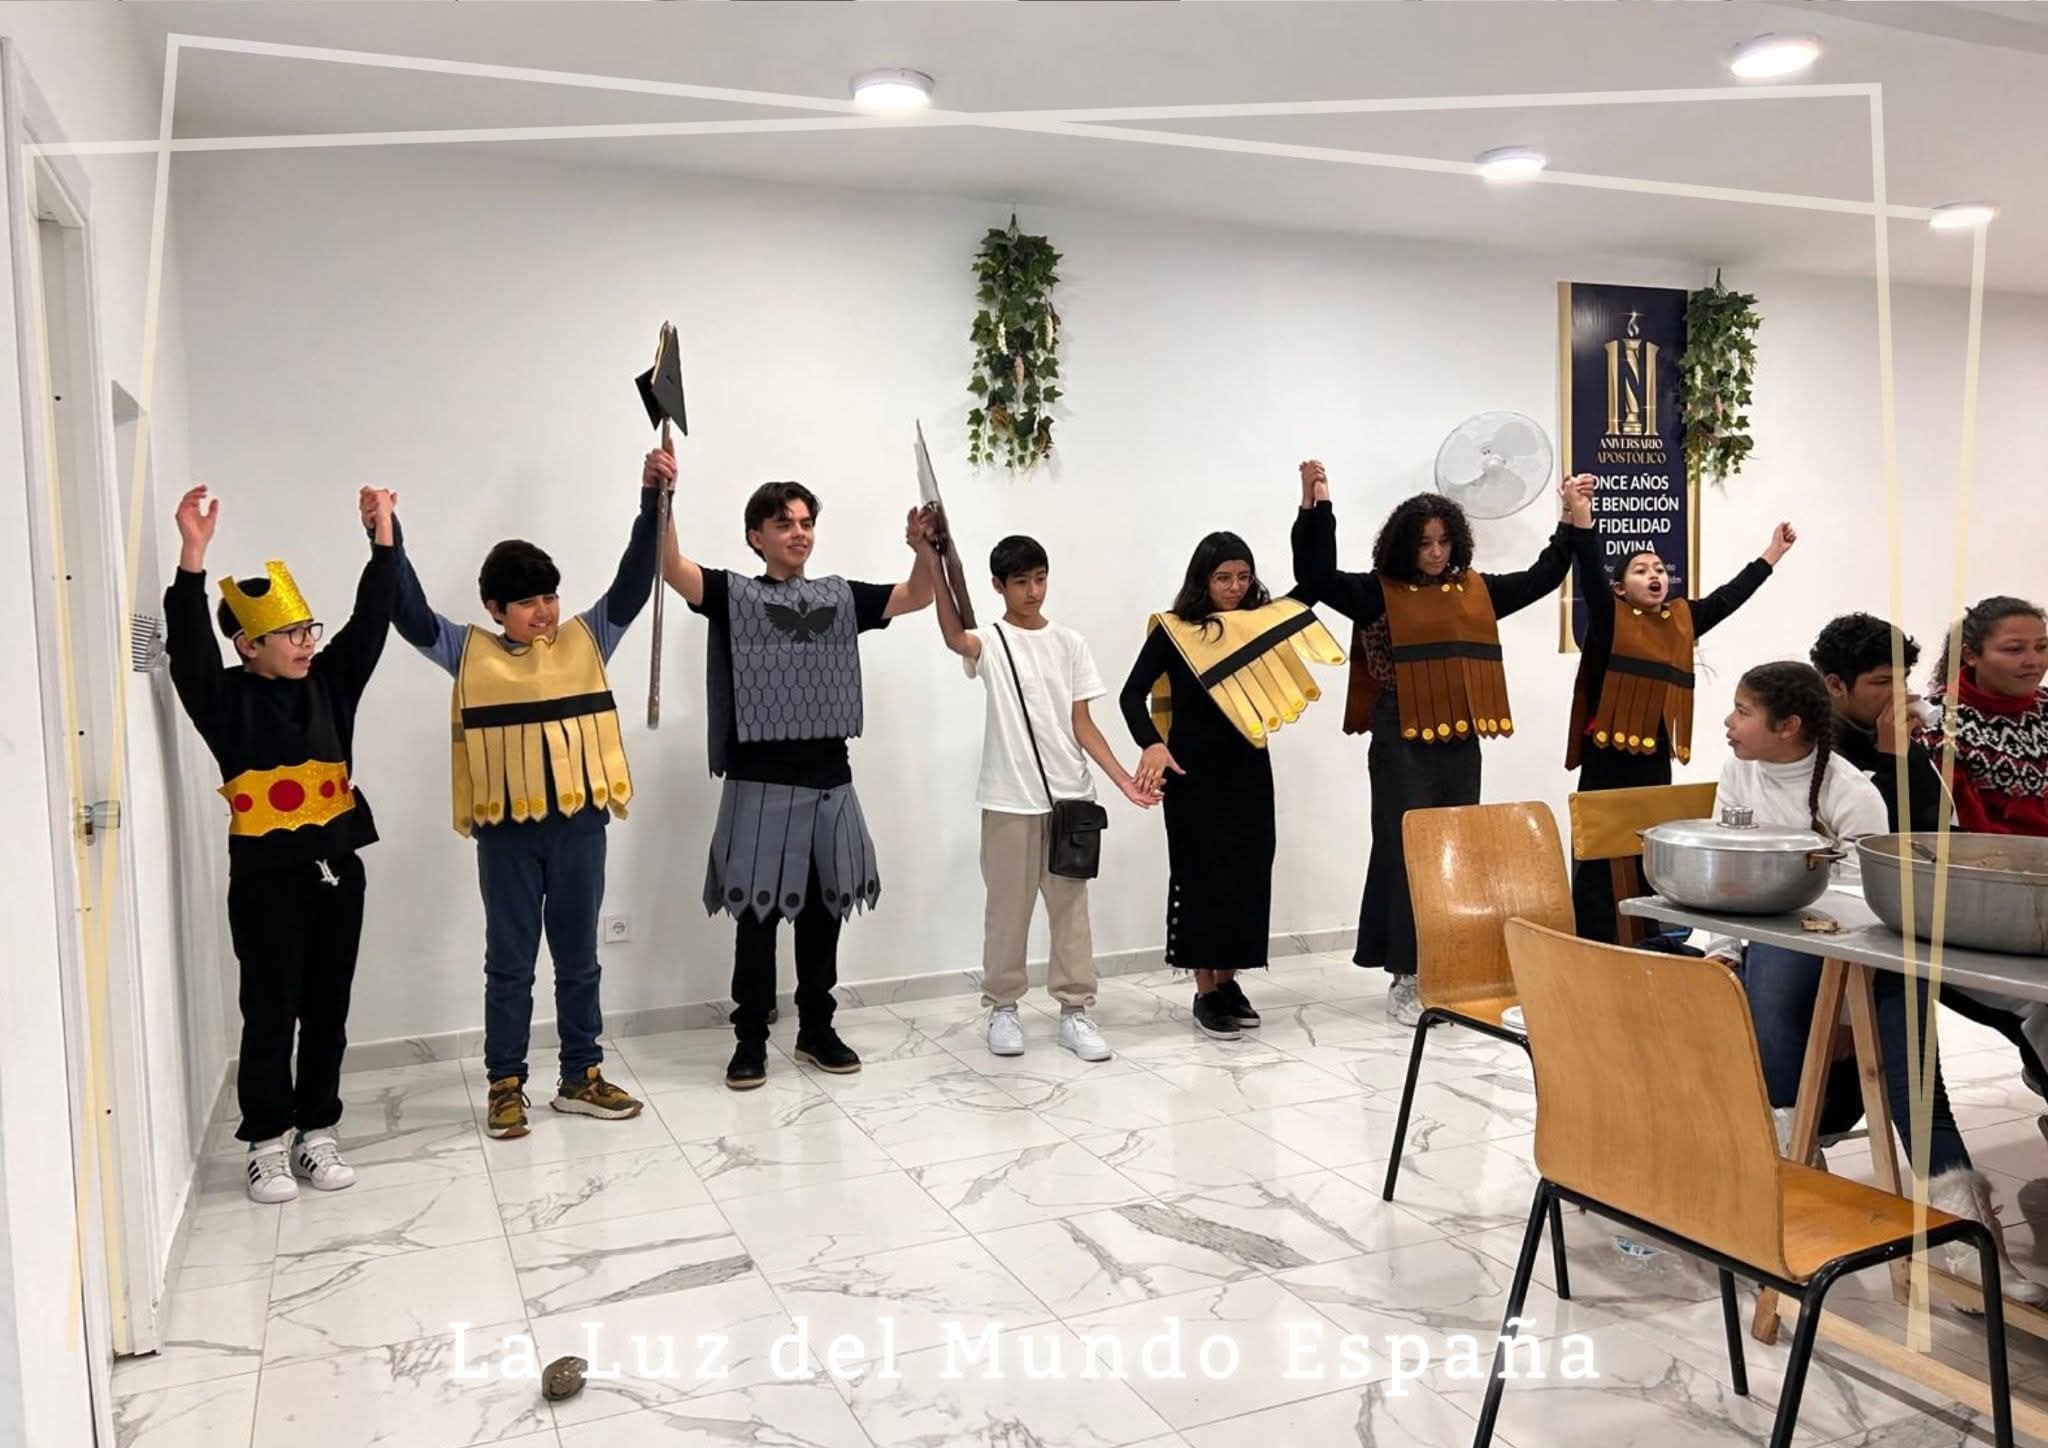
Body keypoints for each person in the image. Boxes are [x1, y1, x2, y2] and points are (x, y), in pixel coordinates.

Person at [1705, 661, 2044, 1303]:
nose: (1729, 722)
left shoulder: (1851, 790)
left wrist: (1839, 1014)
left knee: (1917, 1087)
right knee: (1775, 1026)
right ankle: (1787, 1214)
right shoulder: (1737, 770)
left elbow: (1869, 905)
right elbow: (1728, 873)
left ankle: (1968, 1248)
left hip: (1869, 951)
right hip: (1782, 944)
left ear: (1789, 726)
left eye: (1743, 711)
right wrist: (1721, 947)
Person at [651, 436, 933, 1089]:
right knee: (756, 921)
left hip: (831, 781)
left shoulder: (840, 599)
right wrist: (665, 496)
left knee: (822, 914)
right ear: (756, 536)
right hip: (758, 783)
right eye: (784, 523)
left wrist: (922, 547)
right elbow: (671, 566)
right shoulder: (732, 595)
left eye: (806, 523)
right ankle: (750, 1037)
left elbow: (917, 595)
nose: (798, 533)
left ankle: (816, 1029)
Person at [387, 465, 659, 1141]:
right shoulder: (466, 651)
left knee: (579, 958)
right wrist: (386, 542)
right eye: (529, 601)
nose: (545, 611)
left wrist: (653, 497)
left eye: (550, 596)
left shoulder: (588, 639)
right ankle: (505, 1085)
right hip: (506, 835)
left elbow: (633, 581)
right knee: (509, 962)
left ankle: (581, 1076)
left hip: (580, 827)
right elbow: (409, 615)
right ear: (494, 610)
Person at [1291, 462, 1598, 1026]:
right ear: (1403, 546)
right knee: (1405, 848)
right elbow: (1314, 577)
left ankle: (1447, 967)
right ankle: (1405, 976)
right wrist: (1317, 509)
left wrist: (1571, 519)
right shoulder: (1374, 592)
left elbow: (1544, 575)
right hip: (1398, 733)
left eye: (1443, 541)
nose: (1435, 552)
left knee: (1454, 851)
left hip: (1459, 737)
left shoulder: (1476, 592)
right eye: (1424, 543)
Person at [165, 484, 396, 1203]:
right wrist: (193, 560)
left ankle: (316, 1135)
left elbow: (373, 620)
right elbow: (190, 652)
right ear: (248, 645)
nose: (307, 644)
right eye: (290, 634)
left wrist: (383, 541)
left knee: (329, 1007)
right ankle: (265, 1142)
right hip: (266, 883)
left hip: (338, 872)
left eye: (308, 630)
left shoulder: (331, 686)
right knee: (271, 1009)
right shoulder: (224, 700)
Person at [915, 530, 1155, 1060]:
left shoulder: (1070, 642)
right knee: (1008, 910)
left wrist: (1120, 781)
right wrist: (931, 560)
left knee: (1071, 911)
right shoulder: (992, 641)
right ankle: (1003, 1008)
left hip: (1071, 798)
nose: (1033, 591)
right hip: (1008, 799)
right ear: (999, 585)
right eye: (1021, 581)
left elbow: (1082, 723)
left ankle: (1076, 1011)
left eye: (1040, 579)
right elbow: (956, 636)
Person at [1116, 527, 1347, 1040]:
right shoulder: (1174, 632)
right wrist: (1153, 744)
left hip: (1248, 768)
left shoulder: (1259, 623)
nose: (1235, 586)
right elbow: (1131, 697)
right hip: (1191, 774)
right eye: (1223, 577)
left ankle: (1230, 981)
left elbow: (1318, 580)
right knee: (1201, 878)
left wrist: (1314, 510)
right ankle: (1205, 990)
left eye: (1244, 576)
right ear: (1202, 580)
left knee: (1246, 872)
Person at [1567, 524, 1795, 941]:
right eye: (1639, 570)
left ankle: (1644, 935)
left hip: (1652, 753)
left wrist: (1770, 556)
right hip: (1606, 755)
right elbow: (1591, 577)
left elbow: (1727, 599)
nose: (1653, 575)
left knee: (1647, 850)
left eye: (1658, 568)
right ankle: (1593, 938)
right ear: (1619, 588)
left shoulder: (1680, 622)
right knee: (1601, 853)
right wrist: (1581, 522)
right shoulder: (1608, 618)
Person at [1926, 596, 2048, 836]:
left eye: (2042, 647)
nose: (2034, 661)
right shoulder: (1936, 723)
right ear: (1971, 655)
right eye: (2014, 650)